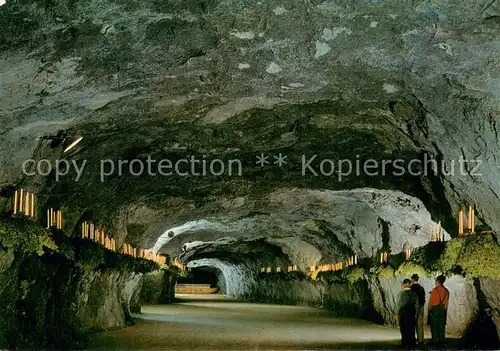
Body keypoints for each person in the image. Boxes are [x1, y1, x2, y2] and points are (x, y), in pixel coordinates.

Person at [428, 275, 449, 347]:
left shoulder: (434, 290)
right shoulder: (446, 291)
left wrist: (429, 309)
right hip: (442, 310)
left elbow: (431, 302)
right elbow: (446, 303)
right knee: (441, 326)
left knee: (434, 326)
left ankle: (435, 341)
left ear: (437, 281)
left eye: (435, 280)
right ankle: (442, 341)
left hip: (434, 309)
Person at [397, 278, 418, 348]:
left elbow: (400, 304)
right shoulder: (414, 294)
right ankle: (412, 344)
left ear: (404, 284)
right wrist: (416, 314)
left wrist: (397, 314)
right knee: (411, 329)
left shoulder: (402, 293)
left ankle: (404, 343)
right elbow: (417, 305)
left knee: (404, 329)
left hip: (404, 313)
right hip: (412, 313)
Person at [411, 273, 426, 346]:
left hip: (415, 307)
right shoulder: (421, 288)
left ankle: (412, 340)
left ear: (413, 279)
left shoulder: (412, 288)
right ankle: (421, 340)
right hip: (421, 306)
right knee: (420, 324)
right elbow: (424, 298)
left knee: (412, 323)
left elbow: (412, 298)